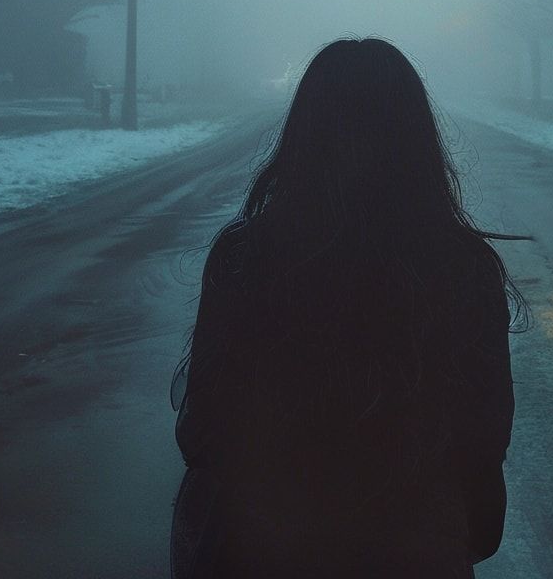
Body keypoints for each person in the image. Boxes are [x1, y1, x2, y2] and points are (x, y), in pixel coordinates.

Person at [170, 37, 528, 577]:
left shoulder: (248, 257)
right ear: (417, 139)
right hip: (415, 555)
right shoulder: (462, 267)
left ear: (303, 135)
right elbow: (481, 434)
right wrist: (457, 534)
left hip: (261, 551)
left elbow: (205, 427)